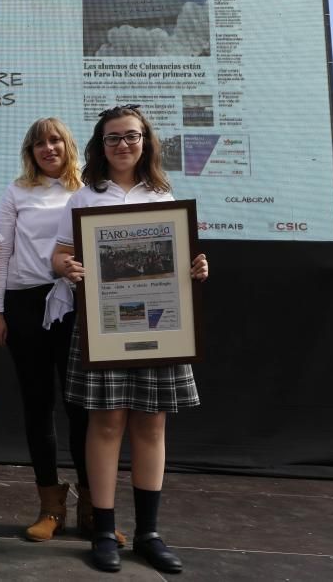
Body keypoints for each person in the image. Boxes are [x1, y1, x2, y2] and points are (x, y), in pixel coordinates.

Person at [52, 104, 209, 574]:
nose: (123, 144)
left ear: (146, 142)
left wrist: (196, 268)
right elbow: (59, 256)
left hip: (160, 325)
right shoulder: (83, 198)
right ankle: (103, 530)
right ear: (101, 146)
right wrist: (67, 266)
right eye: (113, 138)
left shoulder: (165, 196)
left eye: (132, 136)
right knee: (105, 426)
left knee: (152, 426)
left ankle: (148, 533)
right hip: (106, 325)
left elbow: (181, 258)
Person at [0, 118, 124, 545]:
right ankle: (50, 506)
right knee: (37, 406)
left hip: (76, 303)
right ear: (29, 152)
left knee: (82, 407)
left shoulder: (89, 189)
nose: (48, 148)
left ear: (69, 146)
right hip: (25, 303)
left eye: (55, 141)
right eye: (39, 144)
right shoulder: (17, 192)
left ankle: (92, 508)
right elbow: (2, 250)